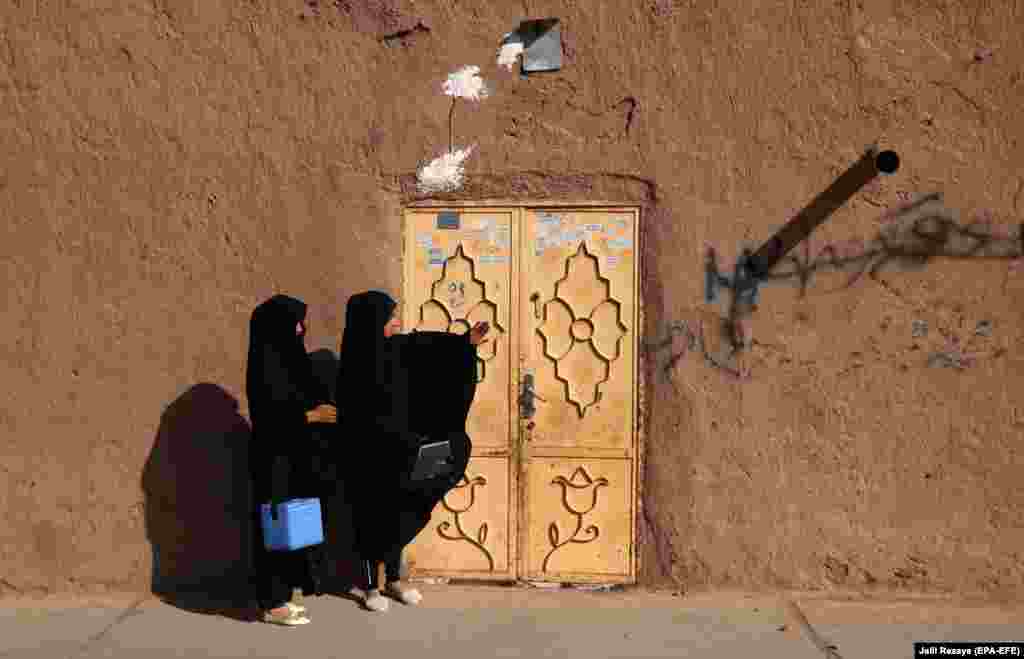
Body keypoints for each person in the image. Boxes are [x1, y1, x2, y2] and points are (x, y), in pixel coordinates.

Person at [336, 291, 488, 612]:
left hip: (401, 450)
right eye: (389, 317)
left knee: (402, 510)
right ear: (371, 321)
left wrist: (466, 344)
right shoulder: (356, 359)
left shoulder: (398, 348)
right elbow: (354, 412)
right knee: (370, 517)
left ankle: (393, 581)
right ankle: (368, 587)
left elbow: (432, 349)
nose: (396, 323)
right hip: (367, 453)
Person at [246, 294, 338, 626]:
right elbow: (270, 415)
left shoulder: (289, 361)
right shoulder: (266, 366)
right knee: (274, 526)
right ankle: (271, 602)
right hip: (273, 460)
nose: (301, 329)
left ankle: (282, 595)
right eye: (294, 323)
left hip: (294, 458)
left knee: (291, 526)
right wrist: (311, 417)